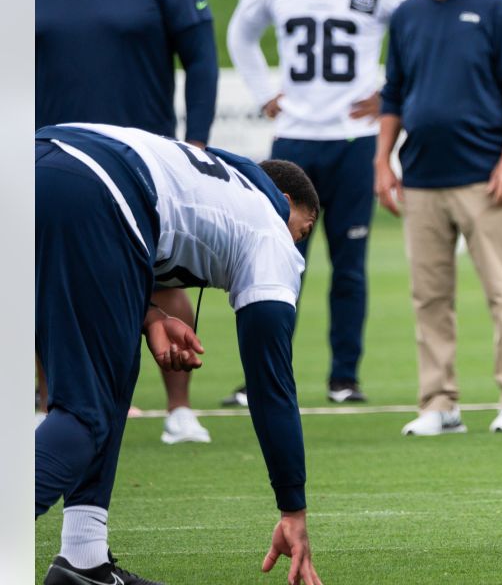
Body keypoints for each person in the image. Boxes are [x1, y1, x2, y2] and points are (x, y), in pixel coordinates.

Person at [36, 123, 324, 585]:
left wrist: (150, 316)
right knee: (85, 415)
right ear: (288, 205)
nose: (297, 246)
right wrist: (293, 507)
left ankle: (84, 560)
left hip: (43, 153)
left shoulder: (221, 179)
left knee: (108, 385)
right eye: (303, 232)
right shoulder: (270, 228)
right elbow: (270, 382)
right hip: (101, 188)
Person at [35, 0, 217, 445]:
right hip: (53, 161)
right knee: (48, 283)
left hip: (144, 160)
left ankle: (179, 409)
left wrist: (198, 139)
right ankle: (51, 402)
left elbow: (202, 55)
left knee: (163, 277)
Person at [226, 0, 424, 407]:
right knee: (275, 261)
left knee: (350, 264)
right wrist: (266, 91)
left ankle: (344, 377)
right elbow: (240, 34)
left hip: (355, 140)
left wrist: (390, 93)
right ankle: (265, 376)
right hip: (295, 141)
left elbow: (420, 28)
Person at [375, 0, 502, 436]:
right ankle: (439, 404)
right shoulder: (406, 15)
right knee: (429, 297)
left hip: (483, 177)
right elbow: (394, 95)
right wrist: (383, 161)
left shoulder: (494, 7)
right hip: (421, 178)